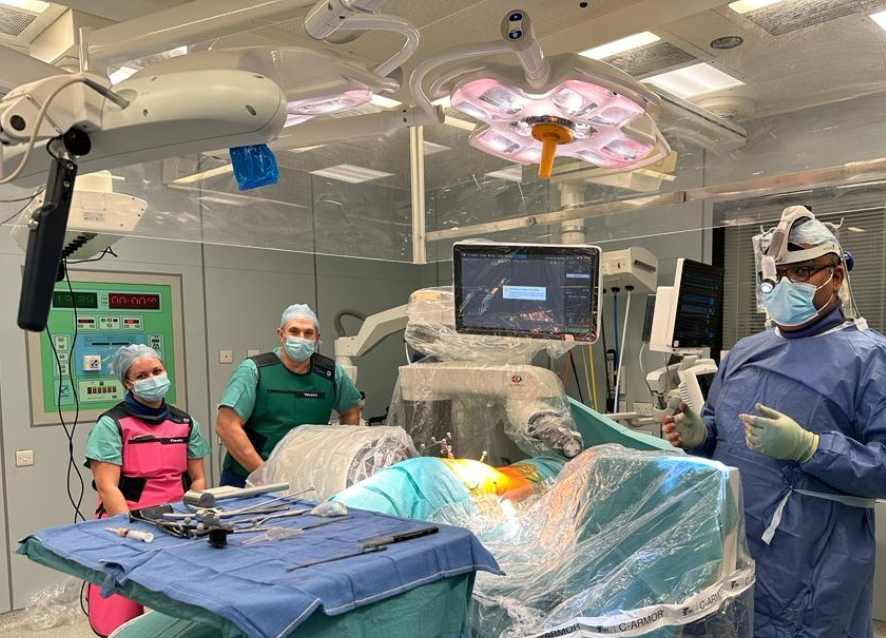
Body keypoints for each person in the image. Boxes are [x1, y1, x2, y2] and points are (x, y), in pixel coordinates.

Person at [662, 206, 886, 638]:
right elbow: (720, 435)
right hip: (731, 550)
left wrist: (811, 448)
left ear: (837, 276)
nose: (786, 285)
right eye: (776, 274)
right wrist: (699, 436)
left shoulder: (871, 360)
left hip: (814, 568)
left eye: (802, 271)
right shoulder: (745, 352)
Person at [84, 344, 210, 637]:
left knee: (183, 605)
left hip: (177, 522)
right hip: (126, 521)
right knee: (119, 610)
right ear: (128, 383)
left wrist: (194, 517)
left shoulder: (184, 422)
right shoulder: (112, 424)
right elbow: (107, 486)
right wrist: (127, 530)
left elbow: (198, 479)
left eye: (157, 371)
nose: (152, 379)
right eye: (142, 375)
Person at [216, 303, 362, 487]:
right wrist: (264, 475)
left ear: (317, 338)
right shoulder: (254, 370)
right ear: (281, 335)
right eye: (294, 331)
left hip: (305, 477)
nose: (301, 338)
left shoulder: (331, 373)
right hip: (248, 476)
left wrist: (339, 456)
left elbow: (350, 410)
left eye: (308, 333)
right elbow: (226, 426)